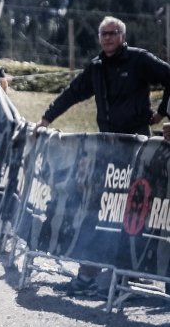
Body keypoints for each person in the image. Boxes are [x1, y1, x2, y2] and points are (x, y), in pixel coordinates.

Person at [37, 15, 170, 297]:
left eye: (112, 33)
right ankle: (93, 275)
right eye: (103, 34)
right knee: (100, 209)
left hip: (136, 151)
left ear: (123, 35)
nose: (107, 38)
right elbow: (73, 93)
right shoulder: (96, 67)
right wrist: (47, 118)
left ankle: (129, 274)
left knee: (134, 212)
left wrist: (162, 111)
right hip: (107, 151)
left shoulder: (139, 60)